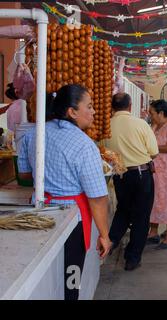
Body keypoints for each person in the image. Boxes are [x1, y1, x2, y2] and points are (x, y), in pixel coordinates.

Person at [17, 84, 112, 300]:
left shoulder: (32, 135)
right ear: (72, 112)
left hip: (38, 214)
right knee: (71, 277)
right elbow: (97, 197)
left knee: (43, 278)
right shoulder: (84, 145)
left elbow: (24, 176)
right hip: (71, 221)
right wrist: (104, 235)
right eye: (89, 106)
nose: (94, 111)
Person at [104, 93, 159, 271]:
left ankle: (111, 241)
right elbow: (154, 151)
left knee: (123, 210)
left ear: (112, 107)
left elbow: (103, 151)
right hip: (141, 174)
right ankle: (132, 258)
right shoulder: (140, 124)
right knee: (141, 217)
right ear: (130, 106)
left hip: (120, 176)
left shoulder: (107, 127)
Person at [146, 100, 167, 249]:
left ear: (160, 113)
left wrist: (152, 147)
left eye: (152, 113)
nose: (150, 115)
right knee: (154, 201)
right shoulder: (155, 126)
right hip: (155, 170)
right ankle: (153, 232)